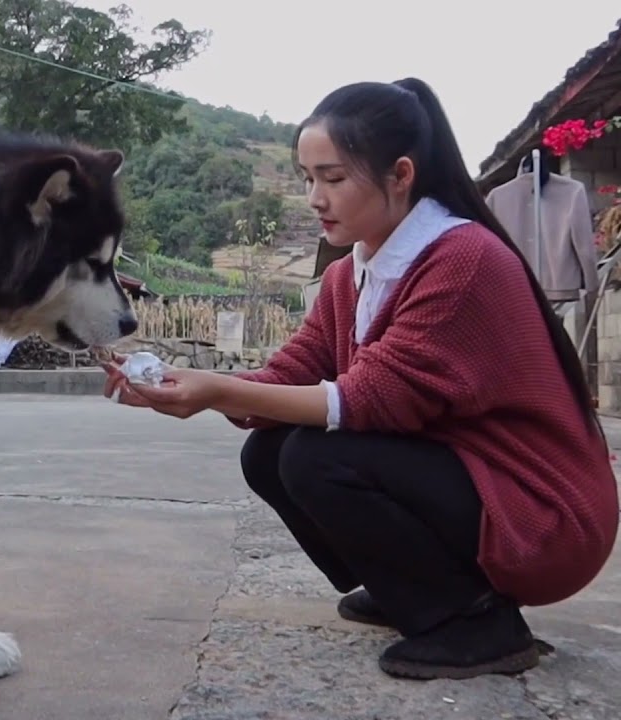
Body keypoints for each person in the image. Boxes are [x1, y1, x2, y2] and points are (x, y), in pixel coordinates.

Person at [103, 77, 619, 681]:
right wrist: (183, 381)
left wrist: (217, 391)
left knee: (315, 457)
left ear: (401, 175)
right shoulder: (355, 273)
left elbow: (369, 399)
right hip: (473, 481)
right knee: (267, 450)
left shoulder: (461, 261)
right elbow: (293, 371)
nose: (314, 198)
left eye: (334, 178)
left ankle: (476, 621)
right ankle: (414, 585)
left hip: (541, 513)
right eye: (306, 178)